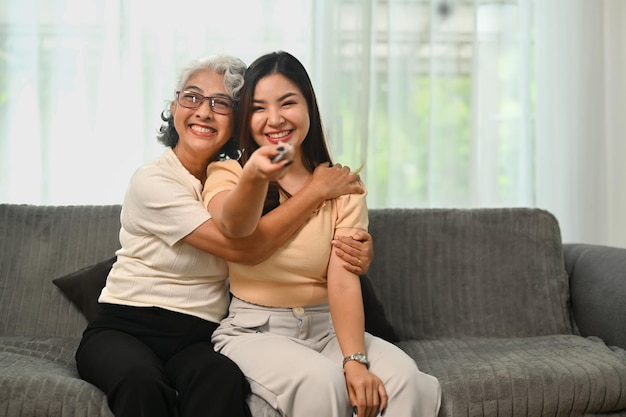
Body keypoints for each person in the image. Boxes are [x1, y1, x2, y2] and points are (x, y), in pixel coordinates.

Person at [74, 54, 374, 417]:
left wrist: (357, 251)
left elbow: (297, 248)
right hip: (126, 326)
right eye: (192, 97)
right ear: (174, 107)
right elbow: (245, 250)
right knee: (142, 383)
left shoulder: (242, 182)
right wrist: (316, 192)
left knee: (220, 381)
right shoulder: (154, 181)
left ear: (238, 122)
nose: (203, 111)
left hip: (198, 335)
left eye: (220, 104)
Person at [203, 51, 442, 417]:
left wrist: (355, 360)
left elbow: (344, 281)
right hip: (256, 331)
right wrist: (260, 174)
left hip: (328, 327)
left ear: (308, 108)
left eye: (288, 103)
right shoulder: (229, 174)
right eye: (259, 108)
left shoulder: (342, 185)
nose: (275, 118)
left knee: (405, 381)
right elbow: (236, 228)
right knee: (322, 383)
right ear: (246, 118)